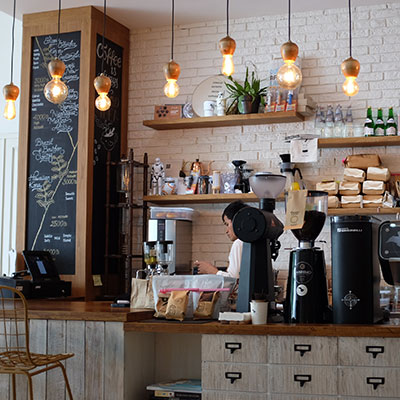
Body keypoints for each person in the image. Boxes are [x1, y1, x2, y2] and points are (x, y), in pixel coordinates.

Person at [194, 200, 247, 279]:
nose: (226, 231)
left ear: (237, 221)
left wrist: (211, 270)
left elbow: (233, 280)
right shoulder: (250, 242)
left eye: (227, 224)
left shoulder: (239, 243)